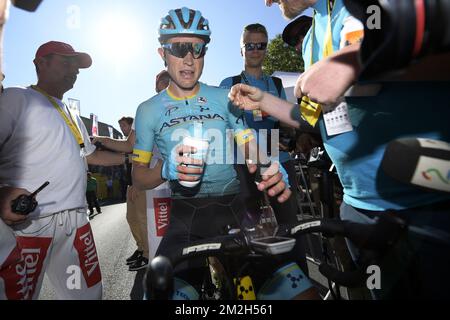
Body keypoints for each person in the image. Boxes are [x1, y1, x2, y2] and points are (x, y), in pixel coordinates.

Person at [228, 0, 450, 299]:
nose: (268, 1)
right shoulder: (310, 40)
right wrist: (263, 102)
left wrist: (356, 62)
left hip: (426, 204)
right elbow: (311, 117)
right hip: (359, 206)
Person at [132, 7, 318, 300]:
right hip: (185, 220)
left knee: (304, 296)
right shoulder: (147, 110)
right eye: (179, 48)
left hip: (238, 210)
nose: (190, 59)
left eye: (198, 48)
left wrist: (268, 163)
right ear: (162, 53)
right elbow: (139, 178)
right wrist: (165, 168)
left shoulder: (224, 97)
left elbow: (248, 143)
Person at [0, 41, 127, 300]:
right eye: (67, 62)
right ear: (40, 63)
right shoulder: (16, 97)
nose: (75, 70)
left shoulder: (71, 111)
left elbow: (91, 155)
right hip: (29, 224)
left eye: (77, 66)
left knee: (88, 295)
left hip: (76, 222)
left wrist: (133, 159)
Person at [220, 23, 308, 273]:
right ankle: (260, 284)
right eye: (250, 45)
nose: (256, 50)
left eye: (261, 45)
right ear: (241, 49)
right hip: (244, 164)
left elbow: (285, 123)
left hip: (277, 160)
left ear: (267, 49)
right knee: (251, 230)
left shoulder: (277, 83)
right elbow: (225, 126)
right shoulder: (229, 83)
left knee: (290, 226)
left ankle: (298, 280)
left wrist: (298, 137)